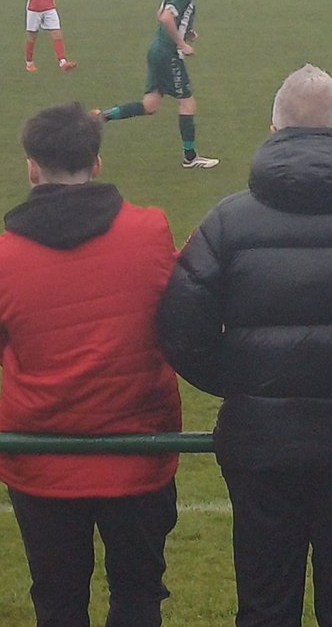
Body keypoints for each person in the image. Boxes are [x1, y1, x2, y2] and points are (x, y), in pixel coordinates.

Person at [0, 101, 180, 627]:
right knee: (138, 594)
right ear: (96, 163)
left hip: (42, 453)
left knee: (58, 599)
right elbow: (173, 324)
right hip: (137, 447)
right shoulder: (151, 230)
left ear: (32, 166)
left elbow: (2, 344)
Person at [157, 62, 332, 627]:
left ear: (274, 129)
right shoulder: (227, 222)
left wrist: (245, 381)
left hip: (261, 442)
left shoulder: (227, 222)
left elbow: (182, 332)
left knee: (265, 601)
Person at [93, 0, 219, 168]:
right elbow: (166, 19)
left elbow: (161, 13)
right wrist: (181, 43)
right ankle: (190, 157)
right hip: (168, 53)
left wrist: (185, 31)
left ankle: (103, 117)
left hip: (156, 49)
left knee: (150, 104)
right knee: (187, 102)